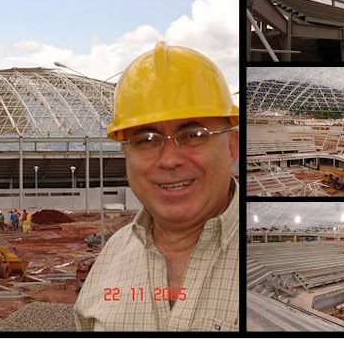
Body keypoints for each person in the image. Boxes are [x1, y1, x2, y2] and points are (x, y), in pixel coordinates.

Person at [73, 42, 239, 331]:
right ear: (126, 154)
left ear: (232, 146)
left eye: (193, 134)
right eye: (146, 140)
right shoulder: (110, 259)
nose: (169, 160)